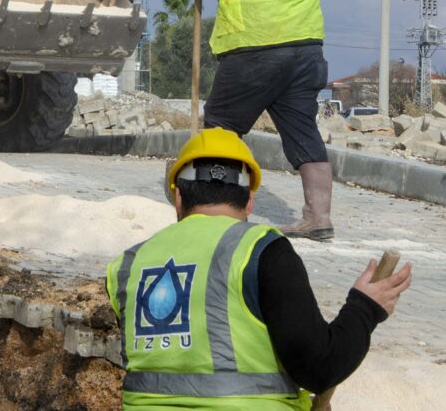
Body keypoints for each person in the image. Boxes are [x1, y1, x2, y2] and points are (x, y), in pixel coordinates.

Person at [106, 128, 412, 409]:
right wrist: (364, 308)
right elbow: (319, 369)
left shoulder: (127, 266)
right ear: (250, 200)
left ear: (178, 196)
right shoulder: (262, 250)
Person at [187, 0, 333, 240]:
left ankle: (214, 208)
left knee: (221, 125)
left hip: (257, 47)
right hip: (305, 50)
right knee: (303, 132)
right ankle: (318, 218)